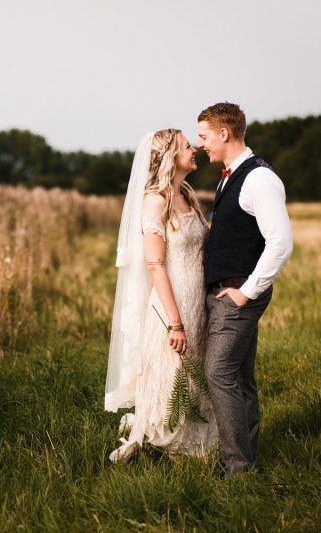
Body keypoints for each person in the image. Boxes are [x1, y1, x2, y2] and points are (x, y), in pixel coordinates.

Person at [105, 129, 218, 462]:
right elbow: (155, 264)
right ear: (169, 155)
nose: (195, 148)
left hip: (197, 298)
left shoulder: (185, 192)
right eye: (186, 145)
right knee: (172, 373)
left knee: (196, 371)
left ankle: (202, 435)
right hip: (173, 303)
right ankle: (162, 439)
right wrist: (174, 323)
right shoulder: (156, 200)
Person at [197, 102, 293, 475]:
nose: (201, 143)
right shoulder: (230, 176)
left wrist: (246, 292)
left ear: (224, 133)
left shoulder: (258, 179)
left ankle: (236, 469)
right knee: (239, 378)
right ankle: (247, 457)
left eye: (204, 135)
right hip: (230, 290)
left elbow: (280, 243)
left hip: (237, 295)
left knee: (218, 373)